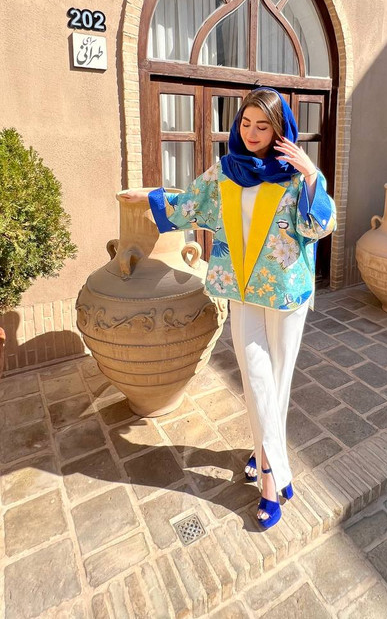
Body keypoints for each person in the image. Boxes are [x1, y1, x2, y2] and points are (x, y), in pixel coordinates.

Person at [120, 87, 336, 529]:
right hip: (241, 288)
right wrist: (150, 197)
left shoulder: (296, 176)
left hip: (285, 292)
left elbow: (319, 225)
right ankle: (273, 467)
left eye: (263, 126)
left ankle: (267, 468)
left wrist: (312, 173)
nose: (252, 133)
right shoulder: (225, 171)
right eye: (246, 123)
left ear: (279, 131)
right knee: (255, 377)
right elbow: (188, 204)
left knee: (277, 381)